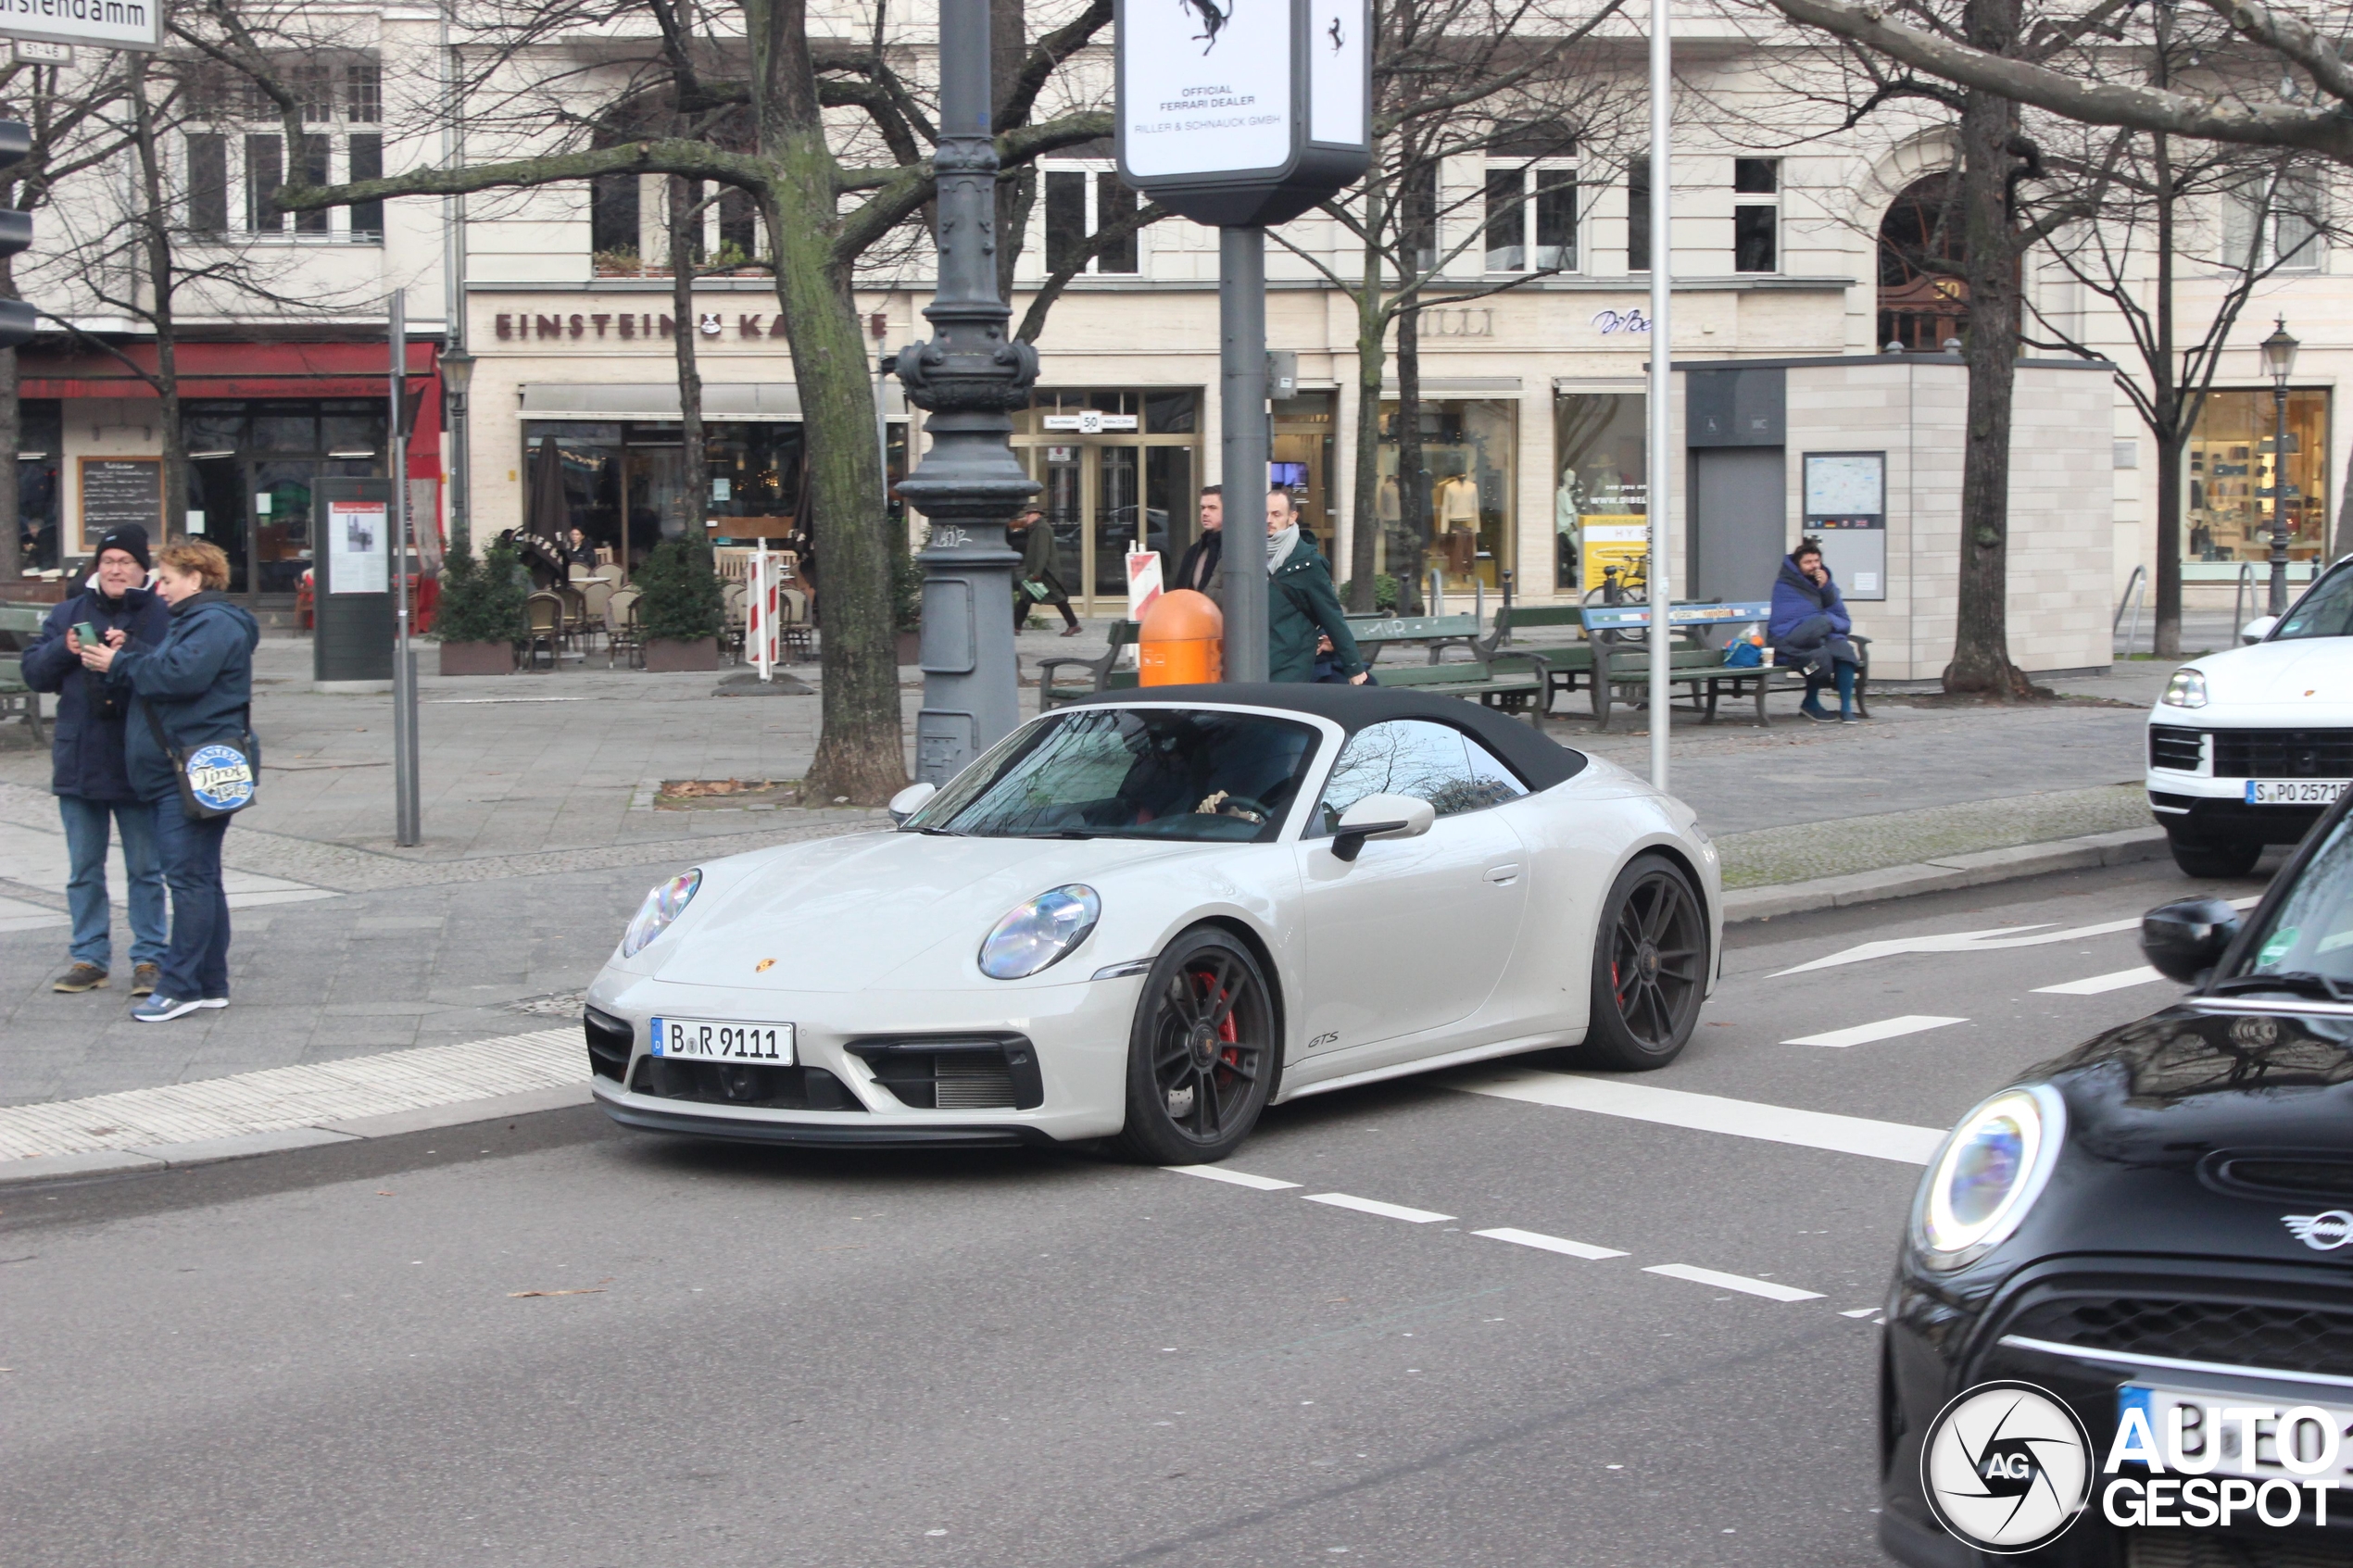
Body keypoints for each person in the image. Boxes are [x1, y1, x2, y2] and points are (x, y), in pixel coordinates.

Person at [78, 539, 259, 1022]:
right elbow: (170, 672)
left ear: (196, 579)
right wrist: (130, 656)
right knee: (200, 878)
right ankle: (209, 983)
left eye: (167, 579)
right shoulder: (196, 622)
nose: (158, 589)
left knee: (189, 879)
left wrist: (121, 663)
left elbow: (179, 677)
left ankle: (180, 986)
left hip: (192, 769)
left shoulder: (214, 622)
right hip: (184, 767)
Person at [19, 524, 171, 996]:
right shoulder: (68, 612)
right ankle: (89, 956)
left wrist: (135, 652)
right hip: (80, 758)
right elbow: (34, 674)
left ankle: (150, 956)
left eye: (125, 561)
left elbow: (175, 671)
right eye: (108, 561)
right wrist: (61, 651)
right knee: (83, 870)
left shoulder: (161, 614)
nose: (115, 569)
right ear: (96, 568)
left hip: (137, 759)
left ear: (142, 568)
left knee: (146, 869)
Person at [1265, 487, 1368, 684]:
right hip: (1254, 661)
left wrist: (1354, 667)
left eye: (1276, 514)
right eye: (1265, 514)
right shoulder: (1249, 553)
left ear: (1292, 516)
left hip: (1290, 664)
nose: (1269, 519)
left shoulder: (1307, 563)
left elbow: (1331, 616)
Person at [1769, 536, 1863, 723]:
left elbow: (1842, 618)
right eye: (1808, 562)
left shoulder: (1827, 584)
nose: (1814, 566)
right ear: (1798, 565)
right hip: (1792, 642)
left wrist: (1825, 589)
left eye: (1816, 561)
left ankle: (1846, 708)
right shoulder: (1786, 586)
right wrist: (1823, 623)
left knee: (1844, 652)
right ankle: (1810, 702)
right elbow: (1788, 619)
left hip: (1822, 635)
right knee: (1819, 657)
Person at [1013, 507, 1082, 635]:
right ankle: (1016, 627)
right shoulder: (1035, 528)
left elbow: (1042, 552)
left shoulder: (1042, 529)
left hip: (1044, 572)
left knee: (1057, 597)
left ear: (1036, 515)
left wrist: (1037, 573)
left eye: (1028, 514)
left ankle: (1073, 624)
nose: (1026, 517)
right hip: (1038, 571)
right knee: (1025, 597)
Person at [1173, 485, 1223, 598]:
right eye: (1202, 508)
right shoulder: (1195, 550)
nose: (1205, 513)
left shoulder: (1236, 551)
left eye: (1212, 508)